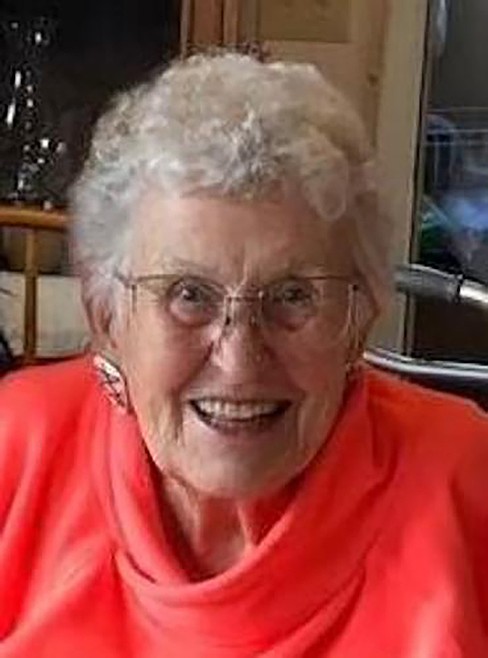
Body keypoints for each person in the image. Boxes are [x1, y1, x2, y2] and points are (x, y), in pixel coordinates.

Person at [0, 53, 487, 658]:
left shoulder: (463, 477)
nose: (239, 361)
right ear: (107, 318)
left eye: (293, 296)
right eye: (188, 294)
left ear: (358, 318)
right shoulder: (17, 449)